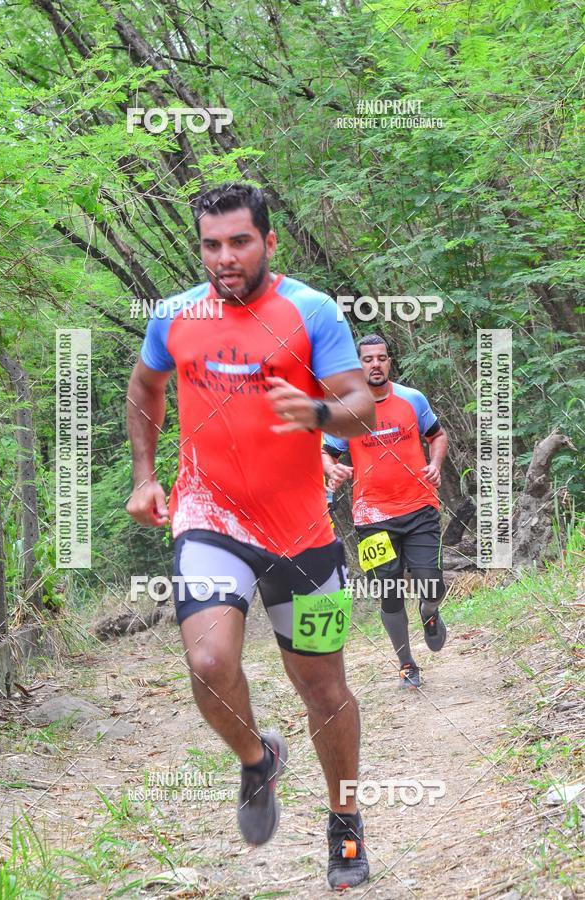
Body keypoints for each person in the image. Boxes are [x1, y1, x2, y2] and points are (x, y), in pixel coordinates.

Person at [126, 183, 376, 890]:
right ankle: (258, 758)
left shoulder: (312, 311)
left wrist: (321, 412)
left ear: (270, 242)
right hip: (208, 516)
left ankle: (345, 818)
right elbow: (145, 389)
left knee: (323, 688)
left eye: (239, 242)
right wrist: (147, 476)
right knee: (209, 663)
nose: (224, 258)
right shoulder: (176, 316)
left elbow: (360, 409)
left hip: (301, 532)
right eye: (211, 244)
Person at [322, 333, 449, 689]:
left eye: (381, 358)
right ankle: (407, 664)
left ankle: (429, 611)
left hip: (420, 507)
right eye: (367, 359)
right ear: (357, 365)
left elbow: (437, 436)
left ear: (389, 362)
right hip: (371, 517)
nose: (375, 364)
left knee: (432, 584)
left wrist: (436, 464)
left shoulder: (412, 399)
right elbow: (325, 453)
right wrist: (332, 469)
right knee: (389, 590)